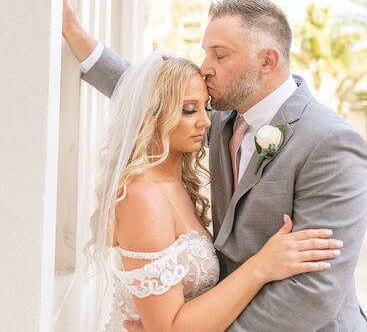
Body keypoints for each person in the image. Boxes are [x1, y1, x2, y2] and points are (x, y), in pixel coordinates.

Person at [63, 0, 367, 331]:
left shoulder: (331, 143)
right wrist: (76, 35)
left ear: (267, 61)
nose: (205, 67)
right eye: (205, 52)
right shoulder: (221, 118)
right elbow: (156, 98)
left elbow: (314, 292)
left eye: (219, 55)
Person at [84, 49, 341, 332]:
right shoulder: (143, 197)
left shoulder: (176, 185)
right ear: (152, 113)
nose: (206, 122)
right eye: (188, 109)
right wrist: (261, 266)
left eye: (206, 108)